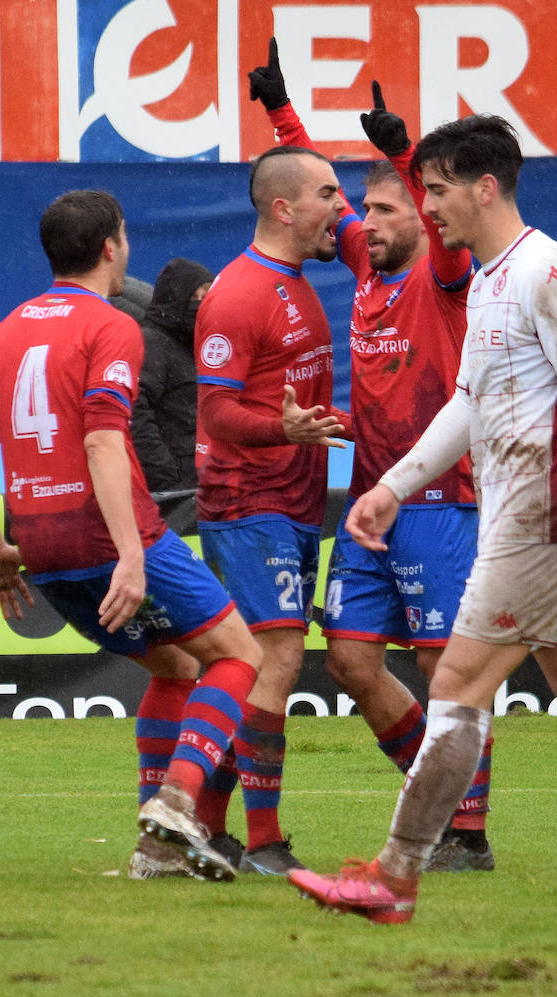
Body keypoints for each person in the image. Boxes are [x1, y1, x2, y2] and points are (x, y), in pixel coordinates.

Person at [285, 114, 557, 925]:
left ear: (483, 188)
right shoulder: (487, 279)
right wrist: (394, 487)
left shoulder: (549, 271)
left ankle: (395, 877)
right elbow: (470, 403)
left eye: (434, 191)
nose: (426, 206)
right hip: (534, 515)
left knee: (457, 684)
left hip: (542, 520)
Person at [0, 189, 263, 883]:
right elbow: (101, 440)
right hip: (107, 536)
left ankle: (155, 849)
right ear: (111, 247)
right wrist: (131, 553)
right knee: (240, 656)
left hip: (40, 545)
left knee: (174, 667)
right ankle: (178, 801)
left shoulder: (3, 333)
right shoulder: (112, 325)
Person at [247, 41, 493, 870]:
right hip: (371, 503)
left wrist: (405, 151)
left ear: (422, 218)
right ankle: (439, 785)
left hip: (444, 501)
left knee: (443, 668)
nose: (364, 222)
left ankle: (467, 832)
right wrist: (280, 114)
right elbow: (313, 201)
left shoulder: (447, 275)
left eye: (386, 211)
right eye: (365, 212)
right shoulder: (364, 263)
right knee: (350, 660)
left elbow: (431, 211)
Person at [191, 144, 351, 876]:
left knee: (252, 664)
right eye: (327, 194)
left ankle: (202, 825)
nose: (340, 209)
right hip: (246, 501)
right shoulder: (238, 294)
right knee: (274, 660)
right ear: (284, 208)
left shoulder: (292, 282)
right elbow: (218, 412)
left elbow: (277, 397)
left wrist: (326, 423)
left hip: (291, 502)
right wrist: (283, 430)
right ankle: (261, 842)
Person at [130, 257, 213, 492]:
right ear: (178, 297)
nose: (205, 303)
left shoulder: (192, 348)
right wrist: (169, 481)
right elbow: (135, 415)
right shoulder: (151, 343)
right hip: (174, 496)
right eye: (200, 294)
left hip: (195, 490)